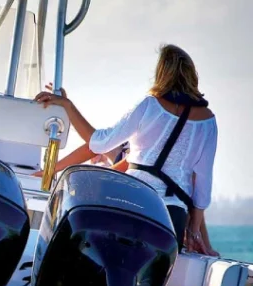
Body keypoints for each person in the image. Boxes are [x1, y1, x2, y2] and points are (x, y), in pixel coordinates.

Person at [35, 45, 218, 256]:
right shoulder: (207, 121)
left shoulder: (150, 105)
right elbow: (202, 184)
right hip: (172, 216)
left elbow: (99, 143)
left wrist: (67, 105)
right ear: (191, 74)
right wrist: (194, 231)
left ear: (162, 72)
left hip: (132, 202)